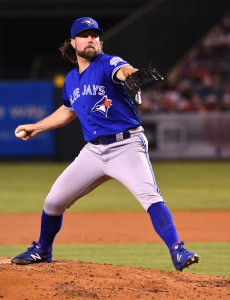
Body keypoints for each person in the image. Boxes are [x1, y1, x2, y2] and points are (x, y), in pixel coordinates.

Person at [11, 17, 199, 271]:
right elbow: (68, 112)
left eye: (95, 35)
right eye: (85, 34)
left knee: (151, 197)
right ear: (73, 42)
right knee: (53, 202)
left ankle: (178, 250)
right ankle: (43, 250)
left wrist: (133, 75)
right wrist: (36, 127)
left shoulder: (107, 63)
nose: (91, 39)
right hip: (94, 151)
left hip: (127, 146)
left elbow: (124, 70)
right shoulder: (70, 80)